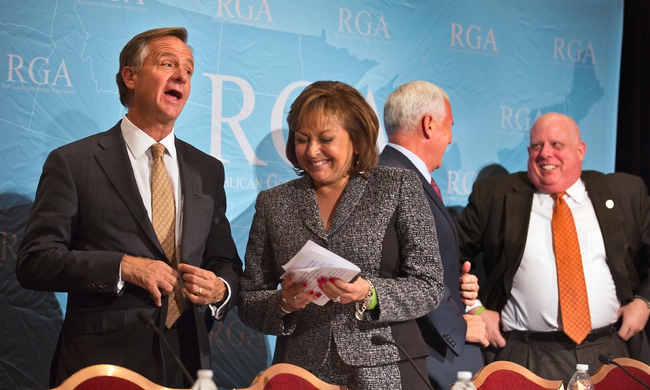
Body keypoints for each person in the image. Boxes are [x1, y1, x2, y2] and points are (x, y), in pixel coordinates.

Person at [15, 27, 242, 388]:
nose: (181, 75)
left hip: (187, 363)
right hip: (102, 366)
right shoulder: (74, 162)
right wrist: (123, 267)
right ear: (130, 76)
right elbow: (35, 262)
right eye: (168, 63)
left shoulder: (208, 170)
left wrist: (219, 289)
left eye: (188, 68)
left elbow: (225, 262)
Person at [238, 81, 444, 390]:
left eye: (326, 139)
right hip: (300, 372)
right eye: (302, 139)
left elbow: (429, 285)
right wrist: (283, 303)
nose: (311, 151)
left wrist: (368, 293)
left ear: (358, 141)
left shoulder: (398, 186)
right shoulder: (274, 203)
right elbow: (249, 299)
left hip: (386, 367)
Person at [455, 112, 650, 384]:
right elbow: (446, 255)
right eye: (537, 146)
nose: (545, 153)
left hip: (608, 351)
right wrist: (475, 309)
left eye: (556, 144)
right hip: (526, 356)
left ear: (580, 150)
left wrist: (644, 301)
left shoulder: (623, 191)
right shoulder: (494, 195)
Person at [379, 80, 488, 390]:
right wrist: (460, 326)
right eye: (449, 126)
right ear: (429, 125)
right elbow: (404, 274)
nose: (451, 139)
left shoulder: (402, 176)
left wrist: (456, 283)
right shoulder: (396, 180)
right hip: (423, 353)